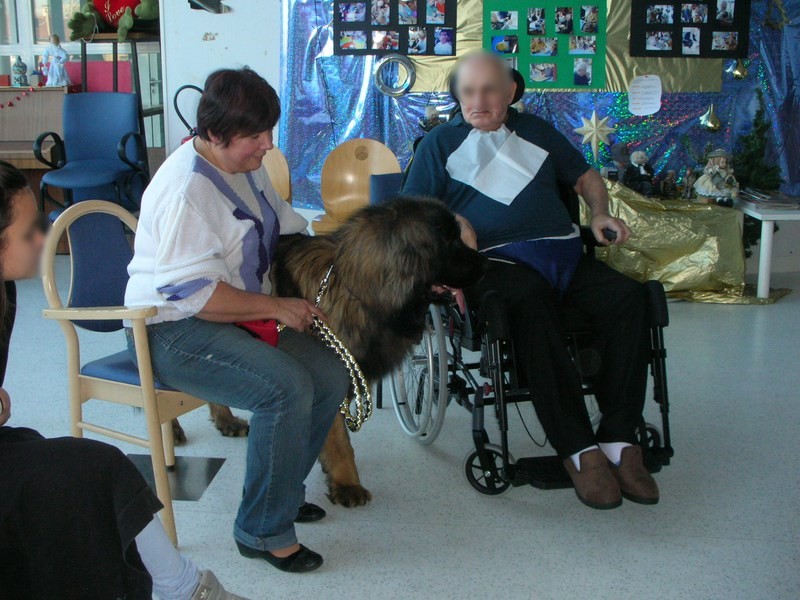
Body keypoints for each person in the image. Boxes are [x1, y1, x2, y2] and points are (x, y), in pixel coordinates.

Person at [403, 51, 659, 510]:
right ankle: (578, 450)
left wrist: (600, 212)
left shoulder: (537, 131)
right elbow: (411, 209)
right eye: (468, 91)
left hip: (564, 253)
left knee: (629, 297)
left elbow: (585, 177)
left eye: (489, 90)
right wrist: (453, 219)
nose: (478, 101)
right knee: (531, 302)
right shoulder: (439, 143)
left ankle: (620, 440)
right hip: (494, 262)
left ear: (510, 92)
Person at [124, 68, 349, 573]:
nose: (268, 144)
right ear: (214, 133)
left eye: (269, 130)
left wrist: (353, 251)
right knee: (285, 388)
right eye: (255, 135)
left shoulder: (244, 165)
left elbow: (286, 227)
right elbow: (195, 294)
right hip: (169, 328)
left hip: (228, 316)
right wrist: (277, 307)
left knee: (330, 375)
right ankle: (262, 531)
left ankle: (281, 495)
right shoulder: (187, 188)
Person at [0, 161, 244, 599]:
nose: (42, 239)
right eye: (30, 230)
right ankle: (184, 588)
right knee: (93, 469)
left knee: (89, 469)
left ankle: (181, 585)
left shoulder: (6, 290)